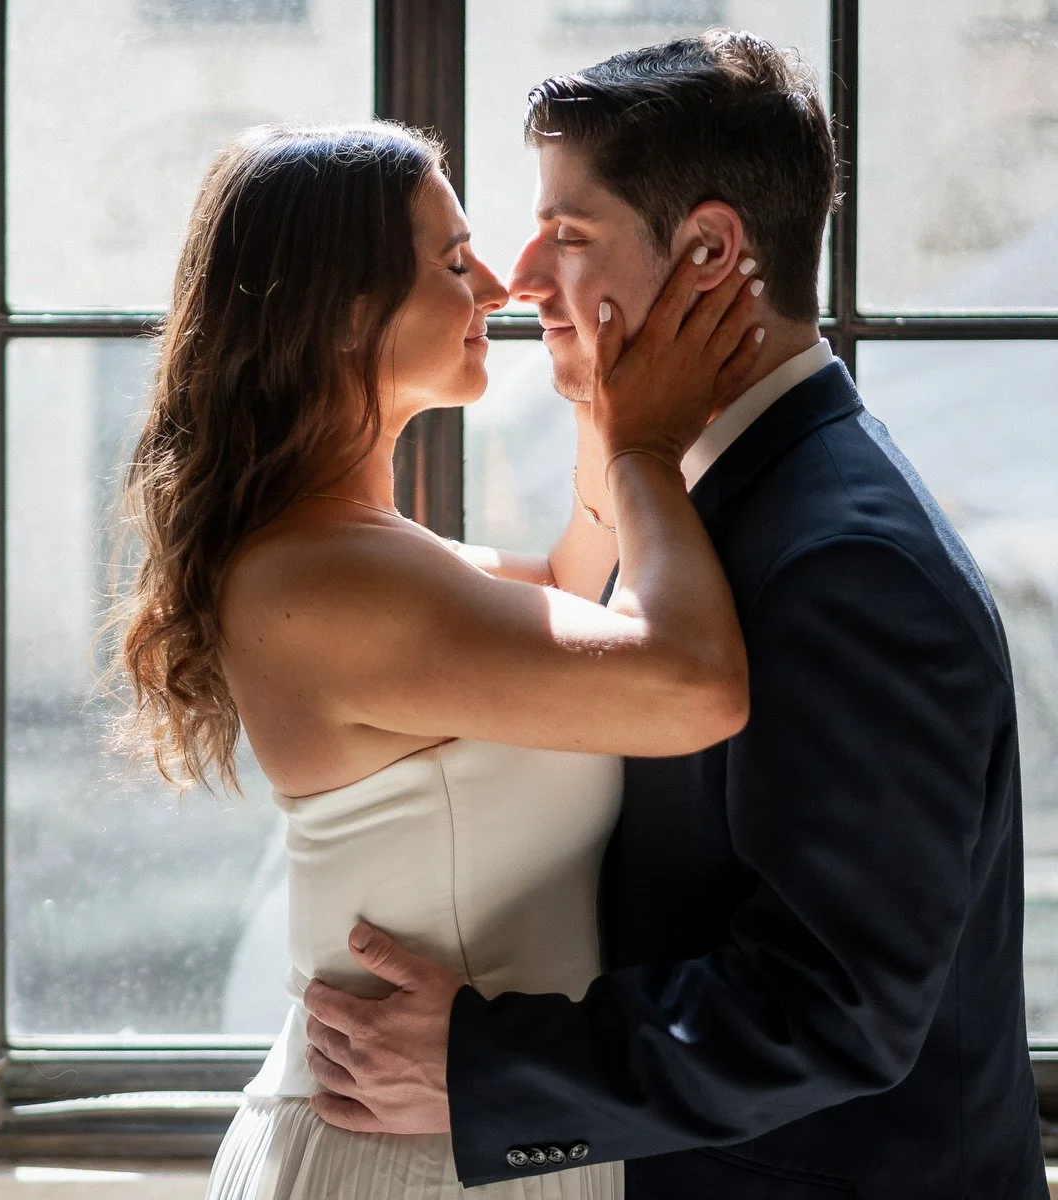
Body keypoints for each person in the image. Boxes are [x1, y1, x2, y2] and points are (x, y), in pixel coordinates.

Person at [300, 32, 1046, 1200]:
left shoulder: (840, 561)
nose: (524, 276)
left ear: (709, 252)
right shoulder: (728, 503)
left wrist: (485, 1069)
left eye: (571, 233)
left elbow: (833, 1007)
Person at [113, 116, 765, 1198]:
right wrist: (648, 442)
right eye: (454, 263)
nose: (497, 293)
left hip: (460, 1125)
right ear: (341, 310)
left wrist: (605, 386)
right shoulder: (322, 582)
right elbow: (694, 685)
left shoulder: (373, 555)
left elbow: (566, 593)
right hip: (408, 1154)